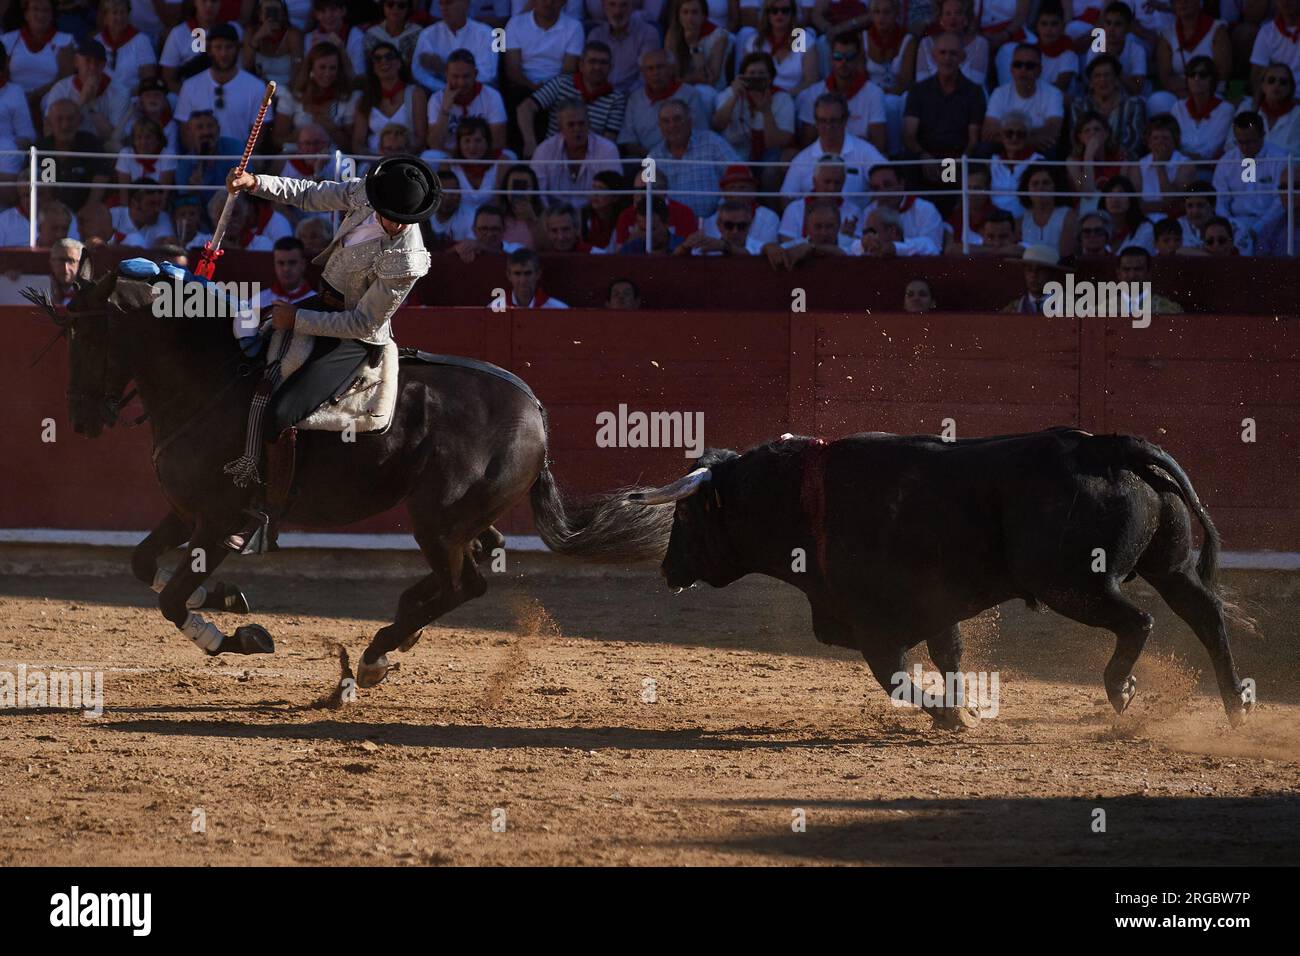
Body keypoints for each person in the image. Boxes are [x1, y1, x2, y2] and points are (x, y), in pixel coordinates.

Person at [221, 153, 438, 520]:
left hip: (353, 339)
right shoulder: (369, 193)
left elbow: (363, 324)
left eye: (402, 221)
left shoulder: (407, 259)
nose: (394, 225)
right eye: (390, 215)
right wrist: (257, 183)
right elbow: (310, 194)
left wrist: (297, 319)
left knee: (281, 412)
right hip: (320, 305)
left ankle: (268, 511)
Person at [902, 30, 985, 179]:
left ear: (962, 57)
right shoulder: (917, 91)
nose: (947, 58)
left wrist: (951, 167)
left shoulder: (974, 92)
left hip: (958, 159)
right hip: (925, 158)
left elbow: (973, 141)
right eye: (943, 53)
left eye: (953, 54)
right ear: (934, 56)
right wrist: (923, 156)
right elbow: (909, 135)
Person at [519, 42, 627, 157]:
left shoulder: (616, 99)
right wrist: (530, 143)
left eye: (603, 63)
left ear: (610, 67)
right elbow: (525, 108)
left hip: (592, 158)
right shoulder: (561, 83)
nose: (597, 67)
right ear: (581, 65)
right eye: (592, 61)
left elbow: (608, 140)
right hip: (552, 154)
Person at [781, 92, 887, 204]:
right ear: (816, 122)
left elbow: (888, 183)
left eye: (834, 121)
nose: (828, 127)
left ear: (845, 120)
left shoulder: (865, 151)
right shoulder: (801, 160)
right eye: (822, 121)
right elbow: (787, 197)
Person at [175, 24, 272, 145]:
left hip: (240, 159)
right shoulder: (190, 86)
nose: (223, 53)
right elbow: (185, 131)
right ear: (209, 50)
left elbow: (258, 133)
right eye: (218, 47)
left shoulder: (256, 87)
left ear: (237, 49)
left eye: (229, 47)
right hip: (201, 160)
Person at [799, 29, 887, 154]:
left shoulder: (874, 93)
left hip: (861, 160)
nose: (843, 63)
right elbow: (806, 143)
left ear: (858, 59)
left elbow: (879, 146)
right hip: (823, 160)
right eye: (838, 57)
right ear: (831, 59)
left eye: (849, 57)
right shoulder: (814, 93)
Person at [649, 98, 739, 217]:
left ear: (690, 122)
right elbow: (648, 197)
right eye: (666, 121)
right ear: (660, 126)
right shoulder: (654, 157)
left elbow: (739, 175)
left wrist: (721, 211)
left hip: (715, 223)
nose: (672, 125)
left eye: (677, 119)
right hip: (672, 228)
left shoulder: (712, 142)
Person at [41, 38, 131, 150]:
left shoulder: (119, 91)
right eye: (88, 61)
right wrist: (82, 100)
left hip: (101, 149)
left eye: (97, 63)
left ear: (104, 65)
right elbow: (50, 128)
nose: (92, 67)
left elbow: (112, 137)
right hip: (69, 145)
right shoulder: (61, 88)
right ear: (76, 62)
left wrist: (92, 105)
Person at [618, 48, 712, 155]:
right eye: (650, 69)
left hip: (685, 157)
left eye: (660, 67)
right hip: (646, 161)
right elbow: (628, 140)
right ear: (643, 73)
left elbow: (700, 134)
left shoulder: (689, 94)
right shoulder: (635, 98)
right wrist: (654, 158)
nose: (655, 73)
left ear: (671, 69)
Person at [531, 100, 623, 203]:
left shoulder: (607, 149)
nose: (577, 129)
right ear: (560, 128)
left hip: (595, 214)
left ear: (589, 124)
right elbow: (538, 194)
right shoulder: (544, 150)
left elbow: (612, 193)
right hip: (554, 215)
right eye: (571, 125)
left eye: (581, 123)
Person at [275, 41, 358, 152]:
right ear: (311, 68)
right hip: (297, 156)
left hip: (333, 158)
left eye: (332, 68)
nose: (327, 73)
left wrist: (331, 128)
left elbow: (351, 147)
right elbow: (277, 140)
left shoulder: (348, 97)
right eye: (322, 67)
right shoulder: (292, 95)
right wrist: (303, 136)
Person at [1213, 111, 1285, 239]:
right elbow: (1220, 200)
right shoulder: (1226, 161)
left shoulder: (1280, 159)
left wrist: (1258, 228)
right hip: (1234, 225)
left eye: (1250, 142)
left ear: (1263, 135)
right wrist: (1229, 226)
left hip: (1273, 225)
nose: (1245, 147)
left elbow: (1281, 202)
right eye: (1241, 142)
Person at [982, 44, 1064, 155]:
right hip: (1010, 147)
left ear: (1039, 70)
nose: (1023, 70)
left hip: (1036, 150)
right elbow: (988, 132)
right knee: (984, 149)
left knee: (1051, 150)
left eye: (1029, 66)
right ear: (1011, 69)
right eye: (1018, 65)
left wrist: (1008, 134)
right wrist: (1030, 138)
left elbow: (1052, 132)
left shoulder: (1053, 93)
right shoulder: (999, 93)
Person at [425, 50, 507, 158]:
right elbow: (434, 144)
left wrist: (469, 154)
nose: (461, 83)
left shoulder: (492, 96)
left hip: (482, 155)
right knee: (430, 156)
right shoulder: (437, 99)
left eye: (466, 76)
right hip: (449, 156)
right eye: (455, 76)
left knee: (508, 156)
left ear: (475, 74)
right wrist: (445, 109)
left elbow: (498, 141)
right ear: (446, 75)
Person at [353, 40, 427, 155]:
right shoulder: (364, 98)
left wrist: (400, 156)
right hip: (374, 159)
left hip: (408, 157)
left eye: (389, 57)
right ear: (373, 67)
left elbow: (421, 138)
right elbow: (358, 142)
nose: (384, 61)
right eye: (377, 59)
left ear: (399, 63)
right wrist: (375, 157)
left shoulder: (415, 94)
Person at [1070, 53, 1147, 161]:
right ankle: (1085, 178)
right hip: (1089, 161)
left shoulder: (1134, 105)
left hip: (1122, 162)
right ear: (1091, 83)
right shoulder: (1079, 106)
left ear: (1116, 80)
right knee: (1073, 163)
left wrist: (1109, 155)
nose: (1103, 80)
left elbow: (1134, 141)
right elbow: (1077, 139)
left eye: (1107, 75)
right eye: (1097, 76)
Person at [412, 0, 499, 91]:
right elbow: (419, 74)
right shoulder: (427, 34)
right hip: (438, 96)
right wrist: (445, 90)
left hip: (478, 97)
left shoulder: (487, 33)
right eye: (441, 3)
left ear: (466, 3)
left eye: (449, 2)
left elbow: (488, 75)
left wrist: (443, 68)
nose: (444, 8)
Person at [1169, 55, 1235, 160]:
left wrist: (1187, 156)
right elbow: (1173, 143)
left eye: (1202, 75)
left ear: (1212, 79)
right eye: (1192, 74)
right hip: (1181, 168)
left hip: (1211, 171)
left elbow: (1212, 148)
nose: (1196, 78)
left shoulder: (1226, 110)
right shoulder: (1177, 107)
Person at [662, 0, 730, 96]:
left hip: (710, 91)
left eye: (695, 12)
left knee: (702, 91)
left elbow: (709, 79)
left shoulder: (719, 36)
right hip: (682, 86)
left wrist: (693, 45)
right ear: (679, 15)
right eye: (685, 12)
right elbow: (673, 75)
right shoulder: (673, 34)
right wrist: (694, 77)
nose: (690, 18)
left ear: (703, 16)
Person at [596, 0, 665, 93]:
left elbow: (646, 76)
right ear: (604, 7)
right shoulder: (596, 34)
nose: (617, 11)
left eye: (623, 5)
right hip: (600, 94)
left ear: (632, 7)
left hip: (633, 96)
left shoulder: (648, 33)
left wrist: (625, 96)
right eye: (612, 4)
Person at [765, 197, 854, 267]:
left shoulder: (851, 243)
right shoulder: (796, 246)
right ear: (807, 227)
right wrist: (768, 247)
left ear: (838, 226)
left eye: (829, 226)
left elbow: (844, 253)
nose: (824, 232)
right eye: (818, 227)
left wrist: (812, 248)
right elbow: (755, 248)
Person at [1016, 162, 1077, 258]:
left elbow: (1066, 256)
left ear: (1055, 187)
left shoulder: (1068, 216)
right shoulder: (1022, 220)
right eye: (1035, 184)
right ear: (1027, 189)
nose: (1040, 187)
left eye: (1046, 183)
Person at [243, 0, 304, 88]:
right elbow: (246, 66)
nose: (272, 15)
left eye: (276, 11)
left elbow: (298, 66)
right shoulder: (251, 32)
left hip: (286, 88)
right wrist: (256, 39)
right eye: (268, 11)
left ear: (283, 14)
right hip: (259, 87)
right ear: (259, 14)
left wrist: (285, 92)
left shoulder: (293, 34)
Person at [676, 197, 763, 254]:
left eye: (741, 226)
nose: (735, 231)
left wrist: (724, 247)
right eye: (729, 225)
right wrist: (685, 247)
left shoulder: (761, 248)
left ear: (749, 225)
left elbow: (749, 254)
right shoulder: (706, 246)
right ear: (719, 225)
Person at [1116, 245, 1185, 312]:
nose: (1132, 276)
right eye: (1126, 269)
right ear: (1119, 274)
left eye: (1138, 269)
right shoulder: (1106, 308)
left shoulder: (1169, 309)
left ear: (1148, 273)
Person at [851, 205, 940, 255]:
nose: (869, 237)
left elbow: (930, 247)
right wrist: (863, 244)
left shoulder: (922, 244)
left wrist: (892, 248)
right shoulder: (864, 246)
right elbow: (852, 247)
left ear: (893, 231)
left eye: (872, 232)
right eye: (866, 233)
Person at [1001, 243, 1064, 313]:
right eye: (1029, 269)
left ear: (1053, 274)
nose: (1033, 275)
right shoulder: (1012, 310)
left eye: (1040, 270)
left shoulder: (1068, 307)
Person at [258, 236, 315, 310]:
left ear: (303, 264)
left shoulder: (315, 302)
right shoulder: (259, 300)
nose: (286, 269)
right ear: (274, 264)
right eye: (281, 263)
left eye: (292, 262)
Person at [500, 247, 569, 307]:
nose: (523, 280)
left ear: (538, 274)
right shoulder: (494, 309)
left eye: (528, 273)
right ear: (509, 275)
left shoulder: (558, 309)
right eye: (517, 274)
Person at [619, 195, 685, 253]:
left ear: (666, 223)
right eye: (643, 229)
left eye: (652, 229)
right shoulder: (630, 249)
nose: (648, 236)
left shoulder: (684, 246)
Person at [46, 237, 83, 307]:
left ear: (80, 265)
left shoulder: (90, 293)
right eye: (61, 260)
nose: (66, 268)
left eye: (71, 261)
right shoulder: (35, 287)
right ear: (51, 262)